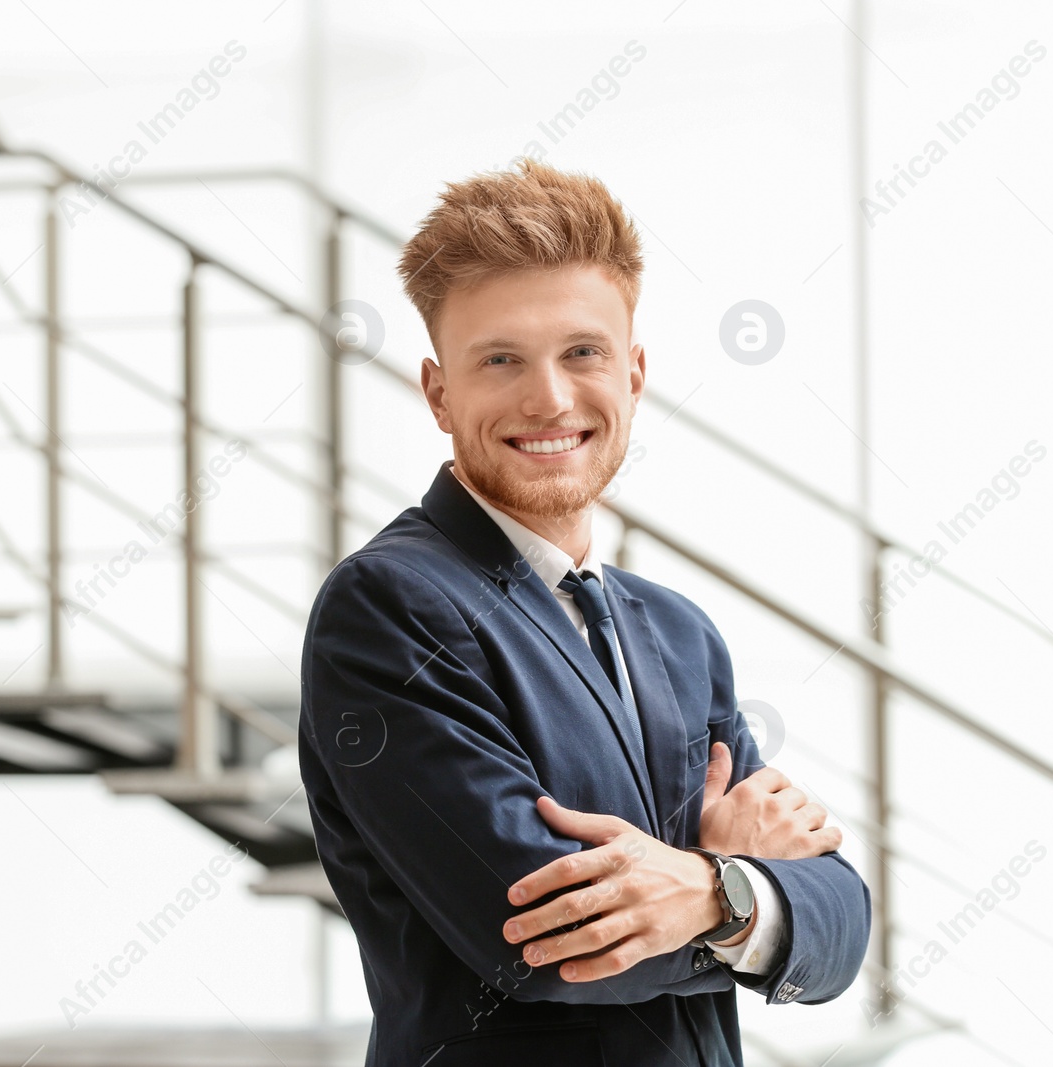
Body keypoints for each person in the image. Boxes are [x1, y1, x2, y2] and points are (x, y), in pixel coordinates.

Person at [297, 158, 870, 1066]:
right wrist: (738, 892)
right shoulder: (388, 606)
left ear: (634, 372)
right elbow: (536, 936)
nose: (551, 398)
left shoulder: (678, 632)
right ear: (439, 392)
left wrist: (708, 887)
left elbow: (842, 919)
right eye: (500, 360)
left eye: (583, 352)